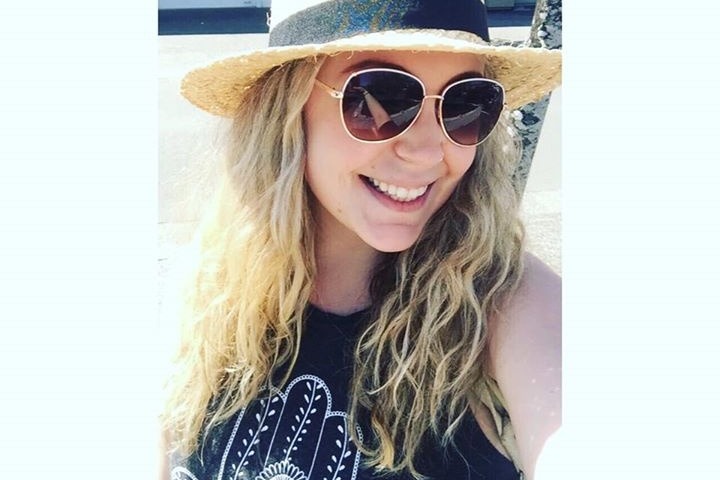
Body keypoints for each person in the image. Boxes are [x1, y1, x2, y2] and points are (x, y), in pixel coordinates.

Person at [160, 1, 562, 479]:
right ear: (287, 109)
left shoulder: (511, 303)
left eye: (464, 105)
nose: (427, 151)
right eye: (379, 99)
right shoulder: (206, 293)